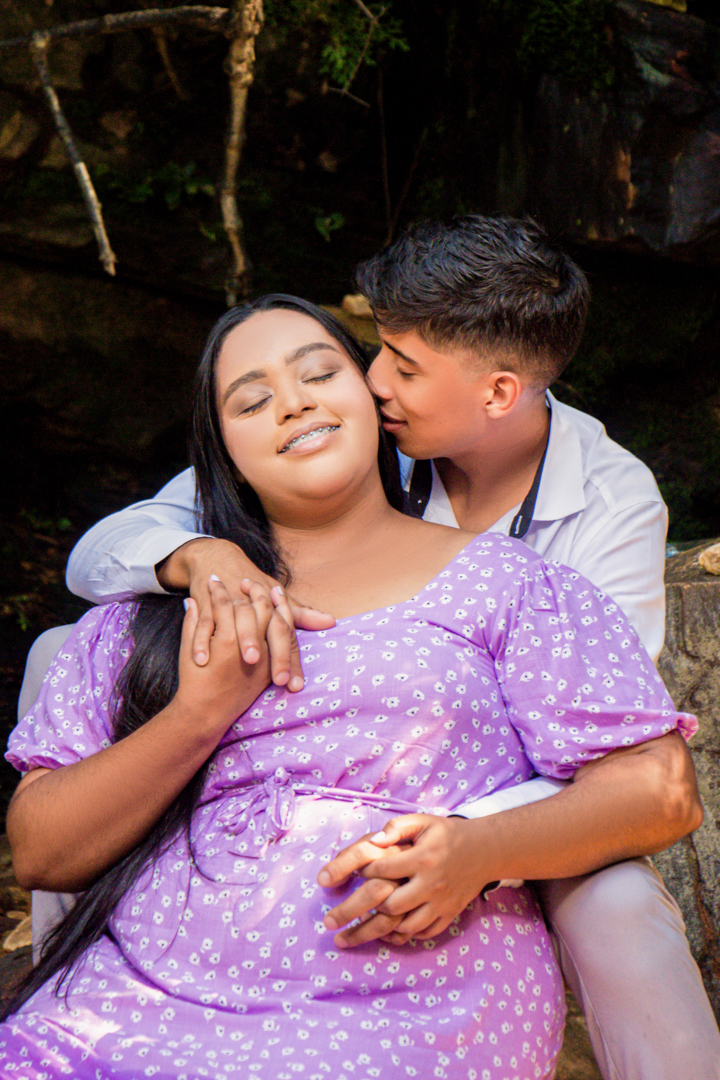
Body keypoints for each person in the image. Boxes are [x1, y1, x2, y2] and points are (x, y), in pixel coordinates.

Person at [54, 218, 720, 1078]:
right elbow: (108, 548)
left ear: (497, 393)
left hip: (507, 801)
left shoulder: (610, 500)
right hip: (291, 820)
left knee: (620, 904)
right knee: (65, 656)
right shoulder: (348, 435)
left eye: (402, 366)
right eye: (376, 352)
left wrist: (459, 842)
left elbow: (609, 731)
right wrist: (198, 554)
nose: (373, 381)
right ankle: (69, 964)